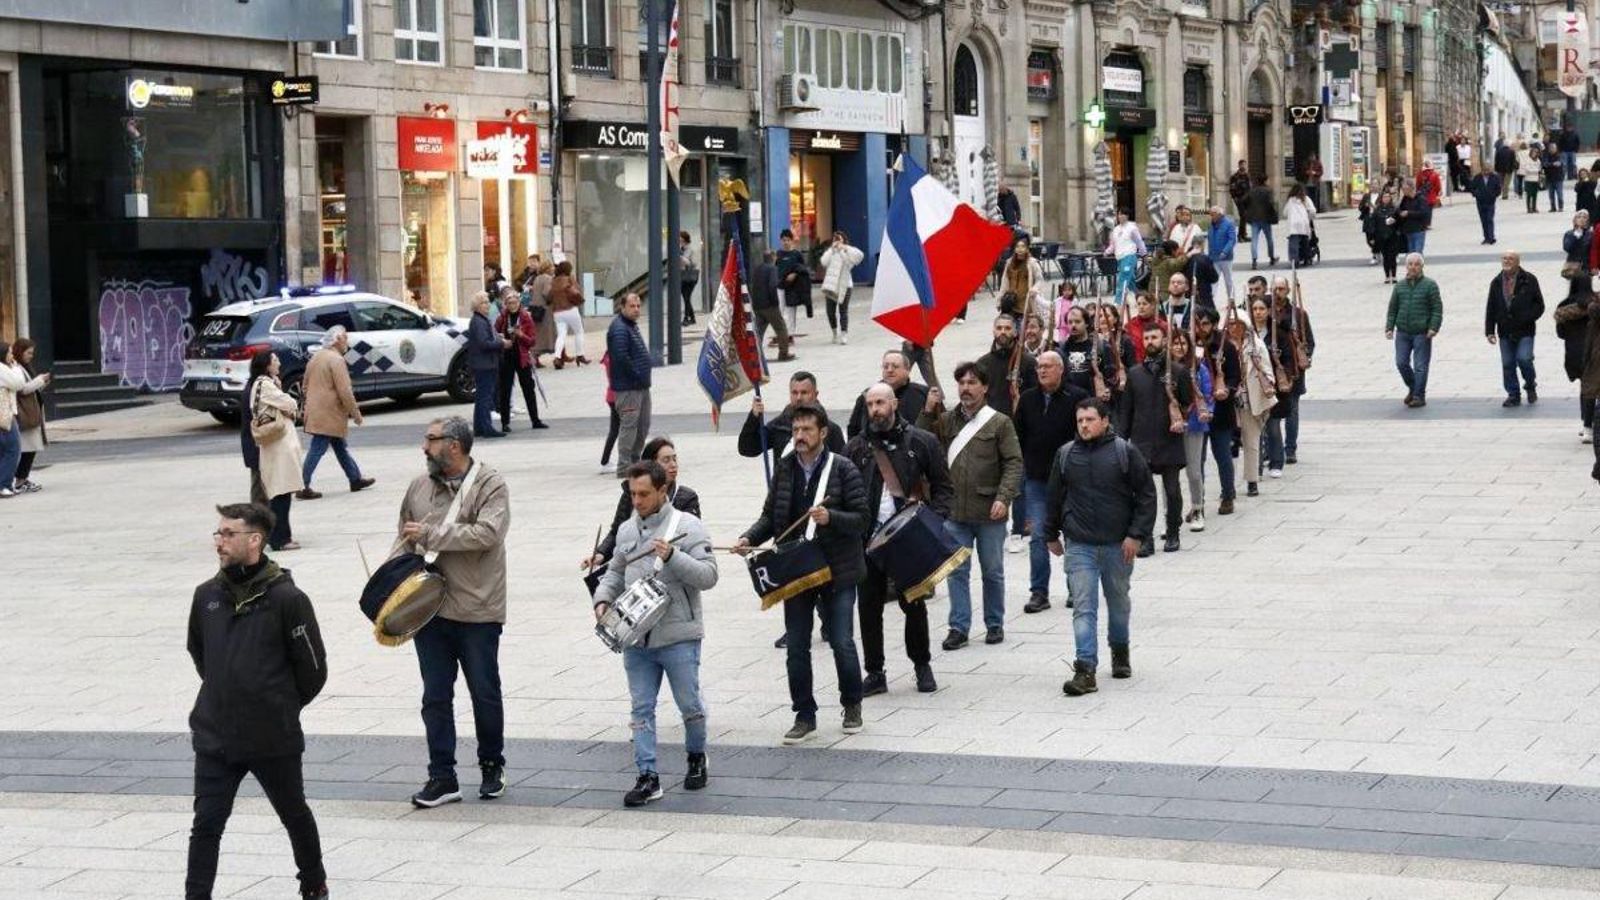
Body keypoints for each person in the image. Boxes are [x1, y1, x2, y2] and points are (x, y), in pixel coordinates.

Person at [186, 502, 328, 900]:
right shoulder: (205, 597)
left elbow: (313, 670)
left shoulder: (287, 599)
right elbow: (200, 654)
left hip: (272, 736)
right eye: (218, 533)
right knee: (206, 824)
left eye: (228, 534)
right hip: (216, 736)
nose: (219, 541)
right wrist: (225, 694)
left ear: (255, 540)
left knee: (294, 813)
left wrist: (278, 704)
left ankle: (314, 884)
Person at [733, 404, 869, 743]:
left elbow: (862, 519)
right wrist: (750, 537)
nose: (800, 437)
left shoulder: (843, 468)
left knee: (841, 641)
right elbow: (771, 516)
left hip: (837, 568)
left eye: (807, 430)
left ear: (823, 433)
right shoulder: (785, 468)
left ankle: (852, 704)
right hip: (797, 569)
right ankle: (804, 714)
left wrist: (831, 518)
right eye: (796, 431)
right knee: (796, 645)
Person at [399, 416, 512, 809]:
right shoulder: (418, 486)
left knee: (484, 692)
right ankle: (442, 776)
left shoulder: (489, 484)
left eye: (430, 439)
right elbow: (404, 539)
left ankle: (491, 764)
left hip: (477, 609)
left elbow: (487, 534)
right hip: (430, 610)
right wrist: (389, 587)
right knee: (434, 697)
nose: (423, 446)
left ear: (454, 445)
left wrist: (432, 535)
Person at [592, 459, 718, 807]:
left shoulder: (689, 527)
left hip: (678, 635)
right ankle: (647, 776)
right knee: (641, 708)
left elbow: (709, 576)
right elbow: (615, 571)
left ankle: (696, 756)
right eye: (632, 494)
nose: (637, 501)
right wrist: (602, 600)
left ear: (663, 491)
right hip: (636, 637)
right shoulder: (627, 530)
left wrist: (674, 555)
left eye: (644, 494)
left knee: (689, 705)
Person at [845, 383, 953, 695]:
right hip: (868, 541)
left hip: (908, 539)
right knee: (868, 607)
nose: (875, 409)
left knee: (914, 603)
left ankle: (922, 665)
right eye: (870, 404)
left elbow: (943, 487)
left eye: (880, 402)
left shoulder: (921, 441)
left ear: (894, 404)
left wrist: (934, 521)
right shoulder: (856, 447)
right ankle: (875, 672)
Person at [1044, 399, 1156, 697]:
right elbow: (1054, 496)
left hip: (1117, 546)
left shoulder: (1124, 452)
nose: (1084, 425)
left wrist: (1136, 535)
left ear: (1105, 421)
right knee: (1083, 607)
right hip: (1079, 544)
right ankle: (1085, 669)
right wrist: (1050, 533)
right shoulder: (1066, 455)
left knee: (1118, 603)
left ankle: (1120, 650)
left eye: (1090, 419)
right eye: (1080, 420)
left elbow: (1146, 495)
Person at [917, 364, 1023, 648]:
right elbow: (918, 442)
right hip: (955, 511)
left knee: (992, 571)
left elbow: (1013, 463)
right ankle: (959, 627)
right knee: (956, 572)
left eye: (972, 382)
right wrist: (929, 410)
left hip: (990, 511)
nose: (965, 388)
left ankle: (994, 623)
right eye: (961, 383)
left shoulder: (999, 422)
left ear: (985, 388)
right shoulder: (947, 419)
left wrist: (1004, 497)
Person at [1015, 351, 1089, 614]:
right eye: (1039, 367)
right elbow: (1019, 437)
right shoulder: (1027, 399)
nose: (1042, 371)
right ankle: (1039, 592)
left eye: (1048, 366)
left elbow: (1084, 436)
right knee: (1038, 537)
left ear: (1060, 369)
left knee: (1072, 534)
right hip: (1036, 479)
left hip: (1070, 480)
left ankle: (1075, 588)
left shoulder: (1077, 397)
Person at [1117, 321, 1193, 555]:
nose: (1150, 342)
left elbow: (1187, 401)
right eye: (1147, 338)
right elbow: (1126, 410)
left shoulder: (1177, 371)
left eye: (1155, 338)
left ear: (1164, 341)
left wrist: (1177, 411)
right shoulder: (1135, 373)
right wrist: (1121, 438)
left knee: (1171, 490)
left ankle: (1172, 533)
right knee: (1143, 494)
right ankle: (1145, 538)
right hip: (1141, 441)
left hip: (1168, 439)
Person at [589, 436, 701, 570]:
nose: (673, 464)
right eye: (666, 460)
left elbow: (690, 540)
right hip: (633, 568)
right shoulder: (630, 493)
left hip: (667, 570)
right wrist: (601, 554)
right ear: (650, 465)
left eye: (674, 459)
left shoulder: (686, 497)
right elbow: (616, 532)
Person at [297, 326, 375, 499]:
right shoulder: (336, 360)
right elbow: (345, 391)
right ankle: (302, 485)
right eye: (345, 338)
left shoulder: (316, 357)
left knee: (340, 447)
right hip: (329, 413)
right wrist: (356, 414)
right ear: (337, 340)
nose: (347, 341)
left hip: (317, 412)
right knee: (317, 449)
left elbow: (305, 386)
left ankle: (355, 479)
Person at [246, 352, 303, 551]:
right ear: (267, 365)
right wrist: (288, 402)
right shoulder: (265, 384)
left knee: (282, 492)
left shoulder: (265, 383)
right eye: (275, 360)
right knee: (281, 493)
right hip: (278, 447)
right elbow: (290, 403)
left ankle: (281, 536)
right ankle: (280, 538)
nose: (279, 362)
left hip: (277, 447)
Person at [741, 371, 845, 469]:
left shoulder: (830, 430)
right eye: (794, 393)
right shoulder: (779, 425)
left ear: (815, 394)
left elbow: (842, 468)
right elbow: (747, 448)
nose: (799, 397)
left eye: (804, 393)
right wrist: (754, 417)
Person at [1195, 307, 1241, 516]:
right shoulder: (1190, 344)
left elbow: (1234, 376)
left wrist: (1227, 390)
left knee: (1222, 455)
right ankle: (1198, 501)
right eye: (1198, 324)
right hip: (1199, 410)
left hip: (1221, 411)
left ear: (1213, 325)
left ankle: (1228, 495)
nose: (1200, 328)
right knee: (1198, 459)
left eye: (1204, 323)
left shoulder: (1225, 346)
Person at [1485, 250, 1545, 408]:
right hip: (1505, 330)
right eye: (1504, 258)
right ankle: (1513, 394)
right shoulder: (1496, 282)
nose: (1507, 261)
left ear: (1518, 262)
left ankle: (1530, 384)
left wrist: (1528, 317)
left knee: (1524, 359)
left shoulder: (1529, 279)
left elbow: (1540, 305)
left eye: (1510, 259)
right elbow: (1490, 307)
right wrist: (1489, 331)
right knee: (1508, 363)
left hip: (1525, 330)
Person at [1169, 328, 1213, 533]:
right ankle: (1171, 516)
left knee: (1194, 471)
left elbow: (1207, 394)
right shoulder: (1165, 369)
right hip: (1169, 427)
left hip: (1194, 425)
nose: (1179, 347)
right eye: (1175, 343)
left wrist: (1206, 412)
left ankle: (1197, 509)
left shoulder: (1199, 368)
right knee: (1168, 473)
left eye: (1183, 343)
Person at [1385, 253, 1443, 409]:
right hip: (1402, 332)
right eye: (1410, 264)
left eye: (1416, 264)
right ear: (1406, 266)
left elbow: (1437, 309)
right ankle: (1413, 387)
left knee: (1420, 366)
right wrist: (1389, 327)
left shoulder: (1430, 285)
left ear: (1422, 266)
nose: (1413, 267)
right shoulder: (1400, 286)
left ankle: (1419, 395)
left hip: (1422, 332)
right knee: (1401, 362)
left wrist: (1433, 327)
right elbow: (1392, 309)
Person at [1268, 276, 1313, 468]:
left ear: (1287, 290)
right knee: (1271, 412)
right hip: (1271, 370)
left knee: (1292, 410)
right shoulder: (1265, 311)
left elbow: (1309, 341)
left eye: (1282, 289)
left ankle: (1290, 448)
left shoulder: (1299, 314)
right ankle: (1272, 450)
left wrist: (1304, 355)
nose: (1279, 292)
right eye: (1275, 289)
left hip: (1292, 369)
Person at [608, 292, 653, 477]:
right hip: (628, 388)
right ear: (622, 307)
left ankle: (635, 461)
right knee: (630, 427)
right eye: (632, 306)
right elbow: (620, 358)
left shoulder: (630, 326)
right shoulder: (619, 328)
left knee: (642, 426)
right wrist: (637, 374)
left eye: (638, 306)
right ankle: (624, 466)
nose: (636, 309)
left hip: (640, 386)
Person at [1239, 295, 1278, 496]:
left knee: (1251, 442)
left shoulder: (1256, 345)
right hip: (1227, 400)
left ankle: (1252, 480)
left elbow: (1268, 371)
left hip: (1249, 399)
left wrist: (1268, 383)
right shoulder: (1220, 345)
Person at [847, 349, 930, 439]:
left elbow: (939, 430)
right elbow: (853, 430)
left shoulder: (923, 393)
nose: (890, 370)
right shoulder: (869, 395)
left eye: (895, 366)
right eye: (886, 367)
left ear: (907, 369)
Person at [495, 289, 546, 433]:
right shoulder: (502, 317)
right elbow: (495, 333)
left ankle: (535, 420)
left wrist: (520, 335)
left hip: (522, 357)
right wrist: (503, 339)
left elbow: (532, 341)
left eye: (515, 302)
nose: (512, 305)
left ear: (519, 303)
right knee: (505, 390)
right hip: (507, 357)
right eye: (509, 303)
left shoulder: (525, 317)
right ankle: (505, 422)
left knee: (528, 388)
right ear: (506, 304)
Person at [0, 341, 44, 499]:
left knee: (6, 450)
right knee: (12, 450)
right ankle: (5, 484)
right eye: (9, 353)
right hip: (5, 416)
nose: (11, 356)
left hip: (7, 414)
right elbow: (19, 385)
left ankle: (6, 483)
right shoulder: (4, 368)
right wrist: (15, 367)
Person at [976, 314, 1038, 418]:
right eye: (999, 328)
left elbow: (1035, 396)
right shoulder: (982, 363)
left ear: (1015, 332)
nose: (1003, 332)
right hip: (991, 422)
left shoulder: (1029, 362)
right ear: (993, 331)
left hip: (1020, 421)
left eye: (1007, 328)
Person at [465, 291, 506, 439]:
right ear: (477, 306)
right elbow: (484, 343)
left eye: (488, 302)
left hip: (484, 363)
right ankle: (487, 428)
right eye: (484, 302)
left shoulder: (481, 319)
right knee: (485, 397)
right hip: (485, 364)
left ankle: (479, 427)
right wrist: (501, 343)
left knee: (482, 396)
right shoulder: (479, 321)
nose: (487, 305)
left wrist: (497, 337)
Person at [819, 230, 864, 344]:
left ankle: (844, 334)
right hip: (831, 285)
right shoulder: (831, 252)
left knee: (843, 311)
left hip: (845, 285)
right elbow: (824, 262)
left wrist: (843, 248)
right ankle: (834, 333)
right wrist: (832, 249)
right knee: (830, 311)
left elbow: (857, 257)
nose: (837, 241)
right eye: (835, 239)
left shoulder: (848, 251)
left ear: (844, 240)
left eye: (839, 238)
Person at [750, 249, 795, 360]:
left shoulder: (757, 269)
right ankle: (783, 353)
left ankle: (754, 354)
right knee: (781, 328)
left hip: (757, 305)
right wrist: (775, 302)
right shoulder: (772, 269)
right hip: (770, 305)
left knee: (759, 330)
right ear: (774, 257)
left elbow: (752, 285)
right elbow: (772, 285)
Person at [548, 260, 589, 368]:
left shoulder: (553, 281)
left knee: (561, 335)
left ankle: (557, 357)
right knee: (579, 332)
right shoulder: (570, 279)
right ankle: (580, 355)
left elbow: (549, 297)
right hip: (570, 309)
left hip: (557, 312)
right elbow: (578, 291)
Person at [1106, 209, 1145, 305]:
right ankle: (1140, 297)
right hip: (1120, 258)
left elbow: (1139, 241)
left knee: (1123, 278)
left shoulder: (1132, 228)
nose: (1120, 216)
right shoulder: (1116, 229)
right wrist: (1107, 252)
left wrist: (1144, 253)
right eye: (1119, 214)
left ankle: (1118, 301)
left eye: (1122, 214)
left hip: (1129, 256)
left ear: (1127, 216)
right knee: (1130, 281)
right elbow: (1113, 244)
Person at [777, 228, 813, 329]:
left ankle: (791, 334)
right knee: (779, 310)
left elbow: (803, 269)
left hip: (793, 287)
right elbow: (775, 269)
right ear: (781, 241)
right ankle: (781, 333)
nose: (786, 242)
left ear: (791, 241)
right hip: (780, 286)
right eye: (784, 240)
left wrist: (795, 274)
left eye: (788, 240)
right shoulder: (778, 254)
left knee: (791, 310)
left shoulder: (797, 254)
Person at [1369, 189, 1407, 284]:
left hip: (1393, 236)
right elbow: (1373, 224)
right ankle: (1387, 276)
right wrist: (1372, 237)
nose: (1386, 199)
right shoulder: (1377, 210)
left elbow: (1401, 222)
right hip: (1381, 236)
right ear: (1381, 198)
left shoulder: (1394, 209)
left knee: (1392, 257)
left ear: (1390, 198)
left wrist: (1396, 222)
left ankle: (1394, 276)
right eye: (1384, 197)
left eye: (1388, 197)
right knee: (1385, 257)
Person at [1243, 175, 1279, 268]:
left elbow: (1244, 200)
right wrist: (1274, 213)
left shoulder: (1252, 190)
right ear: (1265, 181)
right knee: (1269, 239)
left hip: (1254, 218)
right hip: (1266, 217)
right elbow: (1271, 203)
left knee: (1254, 239)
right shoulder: (1268, 190)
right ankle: (1271, 257)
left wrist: (1249, 209)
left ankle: (1254, 260)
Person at [1207, 205, 1238, 301]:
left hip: (1226, 258)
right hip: (1213, 257)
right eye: (1210, 215)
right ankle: (1211, 300)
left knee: (1228, 280)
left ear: (1220, 215)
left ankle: (1231, 299)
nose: (1211, 217)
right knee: (1213, 280)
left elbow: (1232, 240)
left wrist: (1225, 251)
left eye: (1213, 214)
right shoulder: (1211, 225)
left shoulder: (1228, 224)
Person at [1126, 292, 1168, 363]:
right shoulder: (1129, 325)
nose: (1141, 307)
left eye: (1144, 304)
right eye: (1139, 304)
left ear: (1153, 306)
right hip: (1136, 365)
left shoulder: (1163, 325)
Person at [1283, 184, 1317, 267]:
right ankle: (1306, 258)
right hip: (1303, 224)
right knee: (1305, 242)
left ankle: (1295, 260)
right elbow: (1313, 211)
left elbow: (1285, 213)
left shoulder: (1290, 200)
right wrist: (1309, 217)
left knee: (1293, 243)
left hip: (1293, 225)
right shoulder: (1306, 199)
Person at [1470, 165, 1503, 245]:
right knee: (1483, 220)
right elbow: (1472, 188)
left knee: (1489, 219)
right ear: (1482, 170)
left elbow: (1498, 189)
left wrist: (1494, 195)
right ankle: (1486, 237)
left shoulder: (1495, 177)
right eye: (1484, 170)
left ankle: (1491, 237)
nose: (1486, 172)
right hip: (1480, 202)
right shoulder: (1477, 178)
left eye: (1488, 170)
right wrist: (1476, 194)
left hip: (1490, 202)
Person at [1397, 181, 1433, 255]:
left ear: (1410, 188)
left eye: (1404, 189)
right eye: (1402, 189)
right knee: (1410, 253)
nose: (1403, 191)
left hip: (1418, 230)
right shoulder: (1405, 199)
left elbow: (1424, 213)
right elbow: (1400, 209)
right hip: (1408, 230)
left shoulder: (1421, 198)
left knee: (1417, 252)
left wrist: (1408, 213)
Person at [678, 230, 700, 326]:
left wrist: (680, 257)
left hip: (691, 276)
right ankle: (692, 318)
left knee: (686, 297)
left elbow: (692, 263)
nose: (679, 239)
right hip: (683, 276)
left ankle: (686, 318)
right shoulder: (681, 249)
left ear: (684, 239)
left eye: (680, 237)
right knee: (686, 297)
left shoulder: (690, 249)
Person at [1520, 141, 1544, 213]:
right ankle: (1528, 208)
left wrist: (1535, 171)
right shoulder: (1527, 160)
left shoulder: (1538, 161)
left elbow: (1539, 169)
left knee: (1535, 194)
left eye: (1536, 152)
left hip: (1535, 180)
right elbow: (1527, 169)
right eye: (1533, 152)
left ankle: (1534, 207)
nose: (1535, 154)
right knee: (1529, 195)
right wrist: (1535, 170)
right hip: (1528, 179)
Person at [1545, 142, 1567, 213]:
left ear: (1556, 149)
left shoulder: (1560, 155)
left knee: (1559, 194)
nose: (1552, 149)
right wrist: (1553, 164)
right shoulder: (1546, 156)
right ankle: (1553, 207)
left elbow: (1560, 163)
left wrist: (1551, 165)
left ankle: (1560, 207)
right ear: (1549, 149)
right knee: (1551, 195)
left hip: (1558, 178)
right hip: (1549, 178)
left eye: (1553, 148)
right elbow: (1545, 164)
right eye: (1551, 148)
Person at [1495, 135, 1518, 200]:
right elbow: (1513, 161)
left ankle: (1501, 192)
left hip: (1500, 169)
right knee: (1506, 182)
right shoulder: (1511, 152)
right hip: (1509, 169)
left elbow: (1496, 160)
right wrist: (1513, 168)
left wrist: (1496, 168)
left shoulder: (1499, 151)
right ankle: (1505, 195)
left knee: (1501, 181)